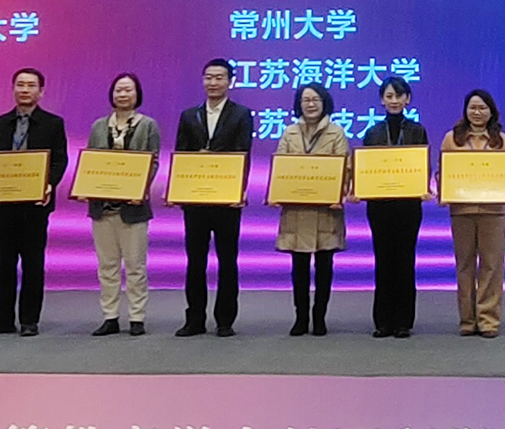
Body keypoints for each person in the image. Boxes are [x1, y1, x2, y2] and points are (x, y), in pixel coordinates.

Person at [0, 67, 68, 337]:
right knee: (3, 262)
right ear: (13, 89)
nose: (25, 90)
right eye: (20, 85)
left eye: (31, 85)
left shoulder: (52, 123)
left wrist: (49, 184)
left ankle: (29, 320)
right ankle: (1, 319)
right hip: (2, 205)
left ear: (41, 91)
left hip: (35, 205)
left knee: (33, 262)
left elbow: (59, 159)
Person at [175, 58, 254, 337]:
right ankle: (194, 319)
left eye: (219, 77)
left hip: (226, 200)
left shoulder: (241, 114)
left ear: (230, 81)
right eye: (208, 77)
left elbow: (243, 152)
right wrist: (178, 189)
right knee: (195, 261)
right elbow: (181, 154)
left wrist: (239, 189)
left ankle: (225, 320)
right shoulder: (189, 115)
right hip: (195, 200)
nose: (213, 82)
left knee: (227, 260)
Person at [271, 83, 349, 336]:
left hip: (326, 210)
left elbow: (345, 168)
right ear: (299, 104)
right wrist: (277, 192)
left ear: (324, 102)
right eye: (306, 100)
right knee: (299, 267)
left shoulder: (336, 132)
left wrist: (339, 193)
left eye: (315, 99)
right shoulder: (289, 132)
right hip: (297, 211)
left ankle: (319, 316)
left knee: (325, 266)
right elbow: (281, 167)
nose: (311, 104)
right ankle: (301, 317)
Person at [85, 73, 161, 336]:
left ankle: (137, 317)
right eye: (119, 90)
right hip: (102, 208)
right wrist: (87, 187)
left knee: (135, 266)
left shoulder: (148, 125)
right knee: (107, 266)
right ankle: (110, 316)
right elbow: (90, 163)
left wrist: (140, 189)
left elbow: (153, 162)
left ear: (137, 94)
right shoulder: (99, 126)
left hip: (133, 208)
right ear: (112, 94)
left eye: (128, 90)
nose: (123, 94)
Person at [439, 89, 505, 337]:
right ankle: (467, 319)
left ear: (491, 112)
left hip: (493, 211)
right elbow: (443, 172)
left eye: (482, 108)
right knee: (464, 266)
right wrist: (443, 188)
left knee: (492, 266)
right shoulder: (452, 139)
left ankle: (488, 319)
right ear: (465, 111)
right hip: (462, 210)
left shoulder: (502, 140)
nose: (477, 112)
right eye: (472, 107)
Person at [358, 75, 429, 339]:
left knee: (405, 261)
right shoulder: (372, 132)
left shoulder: (417, 130)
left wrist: (423, 186)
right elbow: (365, 168)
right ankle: (383, 321)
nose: (394, 100)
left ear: (407, 99)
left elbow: (423, 165)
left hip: (409, 206)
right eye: (389, 96)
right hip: (379, 206)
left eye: (399, 95)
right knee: (383, 260)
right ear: (381, 100)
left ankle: (403, 322)